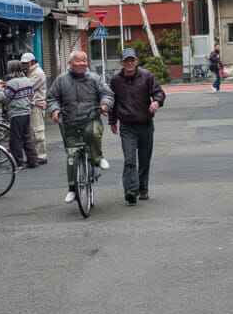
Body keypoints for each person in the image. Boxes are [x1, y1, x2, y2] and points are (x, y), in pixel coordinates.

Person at [47, 50, 113, 204]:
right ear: (70, 63)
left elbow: (107, 94)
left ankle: (97, 158)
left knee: (94, 133)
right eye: (78, 60)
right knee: (71, 157)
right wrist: (55, 111)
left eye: (84, 60)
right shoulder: (61, 80)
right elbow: (52, 98)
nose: (82, 63)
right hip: (70, 122)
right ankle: (72, 189)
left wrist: (105, 105)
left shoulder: (95, 78)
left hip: (91, 119)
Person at [108, 48, 165, 205]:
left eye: (132, 60)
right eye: (126, 60)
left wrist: (156, 102)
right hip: (127, 126)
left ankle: (143, 189)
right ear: (121, 62)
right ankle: (131, 191)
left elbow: (159, 92)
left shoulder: (146, 76)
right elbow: (112, 101)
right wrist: (112, 121)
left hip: (145, 124)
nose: (129, 63)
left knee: (144, 159)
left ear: (137, 61)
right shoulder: (115, 80)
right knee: (129, 159)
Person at [0, 59, 38, 171]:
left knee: (15, 139)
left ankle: (18, 163)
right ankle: (33, 160)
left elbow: (4, 98)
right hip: (26, 112)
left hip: (17, 113)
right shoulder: (27, 80)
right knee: (26, 137)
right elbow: (31, 97)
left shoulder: (12, 83)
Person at [21, 52, 48, 165]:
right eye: (23, 63)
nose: (24, 65)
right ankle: (36, 156)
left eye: (26, 63)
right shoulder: (30, 72)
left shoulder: (37, 73)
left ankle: (41, 156)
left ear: (32, 62)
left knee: (37, 131)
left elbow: (28, 86)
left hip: (36, 105)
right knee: (32, 132)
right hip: (32, 105)